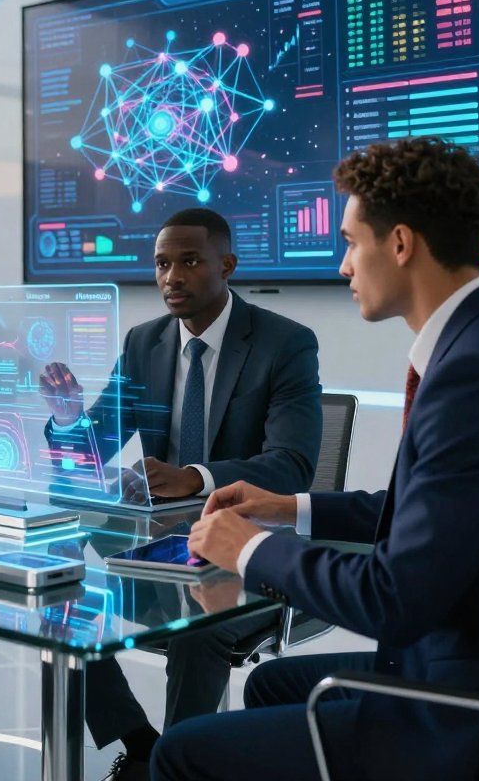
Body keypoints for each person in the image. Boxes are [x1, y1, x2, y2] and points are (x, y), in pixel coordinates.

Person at [154, 138, 479, 781]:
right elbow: (429, 516)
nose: (343, 266)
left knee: (179, 753)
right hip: (467, 657)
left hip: (465, 709)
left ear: (399, 244)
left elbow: (392, 599)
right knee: (271, 687)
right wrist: (287, 508)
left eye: (349, 242)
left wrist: (248, 548)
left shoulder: (478, 373)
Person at [40, 207, 323, 781]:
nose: (172, 276)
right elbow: (96, 443)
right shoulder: (145, 343)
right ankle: (144, 745)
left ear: (227, 265)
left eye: (189, 261)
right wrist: (69, 422)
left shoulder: (284, 343)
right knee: (50, 578)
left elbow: (292, 465)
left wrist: (193, 476)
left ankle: (184, 767)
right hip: (158, 536)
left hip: (246, 543)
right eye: (162, 263)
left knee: (200, 624)